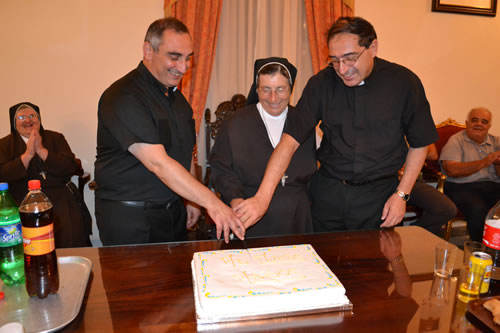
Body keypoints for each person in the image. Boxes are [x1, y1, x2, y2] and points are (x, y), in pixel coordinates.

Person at [234, 16, 438, 232]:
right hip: (328, 192)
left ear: (373, 47)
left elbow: (420, 143)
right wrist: (262, 198)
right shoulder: (321, 84)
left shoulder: (404, 83)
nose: (342, 69)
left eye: (350, 58)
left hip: (379, 196)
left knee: (371, 261)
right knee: (322, 258)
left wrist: (401, 194)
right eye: (334, 60)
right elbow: (289, 142)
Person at [94, 17, 244, 246]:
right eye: (174, 57)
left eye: (187, 59)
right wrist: (211, 202)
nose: (183, 68)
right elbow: (159, 163)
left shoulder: (179, 101)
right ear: (148, 50)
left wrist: (191, 201)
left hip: (173, 213)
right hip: (131, 218)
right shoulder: (123, 96)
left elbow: (186, 153)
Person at [210, 57, 317, 237]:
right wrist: (236, 200)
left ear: (291, 89)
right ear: (257, 89)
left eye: (280, 89)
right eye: (266, 90)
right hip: (250, 216)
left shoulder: (303, 122)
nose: (273, 98)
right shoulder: (235, 123)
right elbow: (221, 168)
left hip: (297, 218)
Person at [0, 102, 91, 248]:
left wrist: (42, 150)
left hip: (59, 199)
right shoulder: (4, 145)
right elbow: (2, 174)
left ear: (39, 119)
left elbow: (70, 166)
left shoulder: (56, 138)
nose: (28, 120)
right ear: (14, 123)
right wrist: (27, 155)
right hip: (21, 201)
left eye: (32, 115)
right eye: (22, 117)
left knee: (68, 232)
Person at [439, 107, 500, 242]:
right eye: (474, 120)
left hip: (492, 186)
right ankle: (481, 250)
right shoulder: (456, 141)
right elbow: (451, 170)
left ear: (489, 126)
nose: (479, 124)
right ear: (467, 123)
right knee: (477, 208)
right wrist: (485, 161)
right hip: (461, 186)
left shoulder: (497, 142)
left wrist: (497, 164)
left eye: (484, 122)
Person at [404, 144, 457, 237]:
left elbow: (433, 155)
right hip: (383, 183)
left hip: (411, 183)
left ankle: (411, 237)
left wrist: (413, 154)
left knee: (446, 209)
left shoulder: (416, 130)